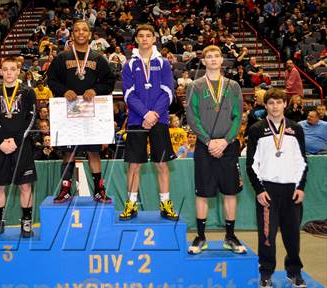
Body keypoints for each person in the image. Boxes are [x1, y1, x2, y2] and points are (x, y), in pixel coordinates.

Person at [47, 19, 115, 204]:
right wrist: (63, 91)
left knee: (94, 152)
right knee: (68, 152)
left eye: (84, 30)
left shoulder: (97, 58)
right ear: (72, 34)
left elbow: (109, 81)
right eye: (77, 30)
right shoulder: (62, 57)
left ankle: (99, 190)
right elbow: (51, 80)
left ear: (90, 34)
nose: (81, 33)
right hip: (69, 111)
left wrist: (96, 90)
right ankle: (66, 189)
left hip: (90, 112)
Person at [186, 45, 246, 254]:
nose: (212, 59)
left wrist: (226, 141)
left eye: (216, 56)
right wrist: (208, 140)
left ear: (222, 60)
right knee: (203, 193)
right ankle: (201, 236)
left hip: (228, 147)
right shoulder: (195, 85)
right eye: (208, 57)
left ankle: (230, 236)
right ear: (203, 62)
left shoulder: (233, 86)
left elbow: (238, 116)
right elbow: (192, 117)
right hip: (205, 146)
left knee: (230, 192)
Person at [246, 88, 308, 288]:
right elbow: (251, 164)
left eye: (279, 103)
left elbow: (302, 161)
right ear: (265, 106)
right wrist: (259, 190)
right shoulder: (256, 129)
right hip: (268, 191)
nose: (275, 106)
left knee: (292, 234)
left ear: (285, 104)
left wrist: (301, 186)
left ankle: (294, 271)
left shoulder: (295, 128)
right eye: (271, 103)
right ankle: (266, 272)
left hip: (291, 189)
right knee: (267, 236)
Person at [120, 24, 178, 221]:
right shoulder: (128, 65)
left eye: (148, 36)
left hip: (159, 119)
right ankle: (131, 204)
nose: (144, 39)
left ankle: (165, 204)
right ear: (136, 39)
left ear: (154, 39)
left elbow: (168, 91)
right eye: (141, 36)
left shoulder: (164, 63)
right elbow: (128, 94)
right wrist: (145, 114)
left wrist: (153, 114)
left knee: (161, 164)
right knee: (134, 165)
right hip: (137, 120)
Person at [0, 56, 37, 238]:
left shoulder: (28, 92)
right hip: (0, 148)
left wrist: (16, 141)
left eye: (12, 69)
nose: (9, 72)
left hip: (21, 146)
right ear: (0, 71)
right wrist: (0, 143)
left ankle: (27, 222)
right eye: (5, 69)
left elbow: (31, 119)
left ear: (18, 70)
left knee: (25, 186)